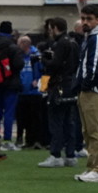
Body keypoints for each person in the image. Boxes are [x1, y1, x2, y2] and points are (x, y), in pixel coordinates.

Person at [73, 4, 98, 183]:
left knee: (95, 130)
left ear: (97, 20)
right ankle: (92, 167)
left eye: (89, 19)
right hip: (88, 89)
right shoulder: (90, 37)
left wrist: (86, 85)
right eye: (83, 18)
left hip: (94, 90)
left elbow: (94, 66)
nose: (85, 22)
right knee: (88, 131)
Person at [38, 17, 80, 168]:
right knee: (69, 121)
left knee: (56, 121)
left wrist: (43, 59)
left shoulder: (60, 43)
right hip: (71, 85)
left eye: (51, 28)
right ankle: (70, 155)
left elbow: (55, 65)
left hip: (59, 86)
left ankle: (55, 154)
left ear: (55, 28)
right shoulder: (74, 42)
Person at [0, 21, 24, 153]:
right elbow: (19, 64)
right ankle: (7, 140)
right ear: (10, 31)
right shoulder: (13, 46)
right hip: (11, 84)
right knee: (9, 113)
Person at [15, 35, 44, 149]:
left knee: (35, 118)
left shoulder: (36, 56)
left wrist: (40, 83)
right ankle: (28, 141)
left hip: (35, 92)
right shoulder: (19, 56)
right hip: (22, 91)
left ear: (24, 44)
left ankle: (36, 140)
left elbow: (43, 70)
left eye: (19, 44)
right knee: (23, 118)